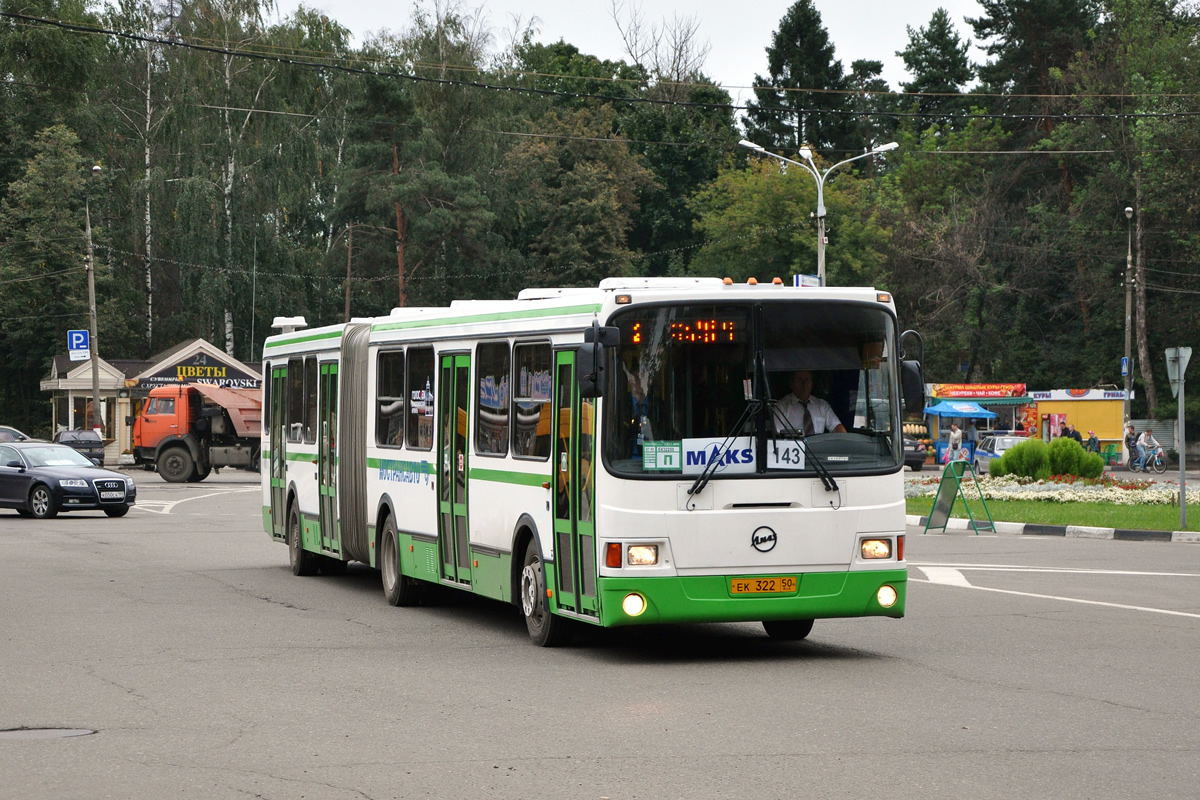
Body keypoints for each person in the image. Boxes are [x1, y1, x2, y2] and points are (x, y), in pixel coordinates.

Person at [776, 370, 845, 435]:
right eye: (800, 380)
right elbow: (777, 435)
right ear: (792, 384)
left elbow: (837, 427)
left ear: (812, 383)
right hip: (793, 446)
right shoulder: (781, 407)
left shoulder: (822, 405)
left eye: (807, 379)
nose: (804, 384)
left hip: (817, 447)